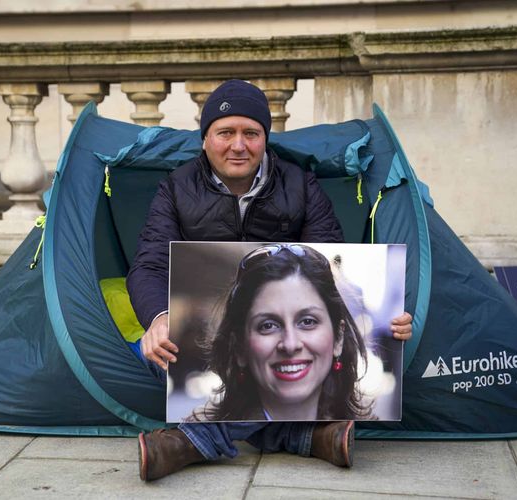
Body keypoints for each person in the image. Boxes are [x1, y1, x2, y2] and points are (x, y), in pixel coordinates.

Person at [126, 79, 412, 481]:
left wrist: (388, 322)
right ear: (205, 139)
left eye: (251, 134)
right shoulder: (174, 188)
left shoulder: (301, 185)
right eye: (225, 133)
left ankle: (193, 442)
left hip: (264, 340)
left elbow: (333, 269)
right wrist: (158, 317)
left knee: (291, 357)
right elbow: (149, 266)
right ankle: (297, 437)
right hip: (218, 337)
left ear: (265, 139)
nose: (238, 146)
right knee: (143, 350)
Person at [189, 243, 372, 422]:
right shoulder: (194, 442)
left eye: (307, 322)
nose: (290, 344)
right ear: (239, 348)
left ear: (338, 338)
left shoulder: (366, 435)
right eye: (268, 325)